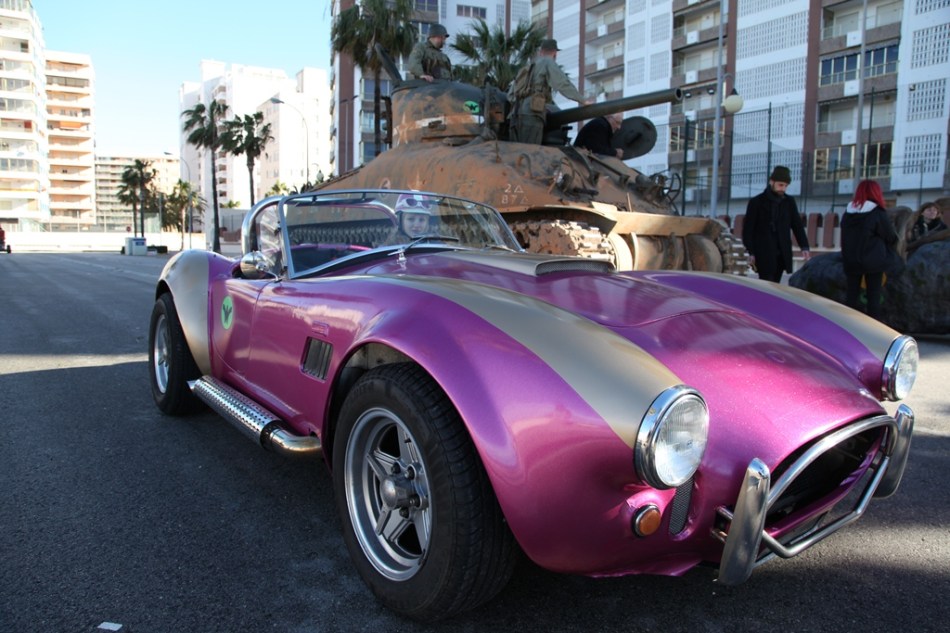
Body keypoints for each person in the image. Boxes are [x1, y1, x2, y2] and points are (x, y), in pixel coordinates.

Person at [508, 39, 591, 145]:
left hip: (516, 114)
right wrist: (583, 100)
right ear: (555, 53)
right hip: (533, 114)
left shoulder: (528, 67)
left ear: (540, 51)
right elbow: (562, 84)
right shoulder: (548, 62)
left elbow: (511, 95)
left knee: (516, 152)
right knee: (530, 152)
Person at [841, 180, 899, 320]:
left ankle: (847, 327)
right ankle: (872, 333)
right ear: (876, 192)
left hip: (851, 260)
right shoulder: (877, 212)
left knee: (851, 297)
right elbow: (890, 236)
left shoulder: (848, 212)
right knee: (873, 297)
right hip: (874, 261)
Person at [741, 166, 811, 283]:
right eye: (780, 185)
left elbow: (797, 225)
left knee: (775, 283)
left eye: (785, 186)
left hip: (782, 251)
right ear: (771, 182)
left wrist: (804, 246)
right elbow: (748, 229)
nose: (782, 189)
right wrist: (751, 251)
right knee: (766, 282)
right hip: (763, 251)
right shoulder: (756, 202)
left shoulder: (789, 202)